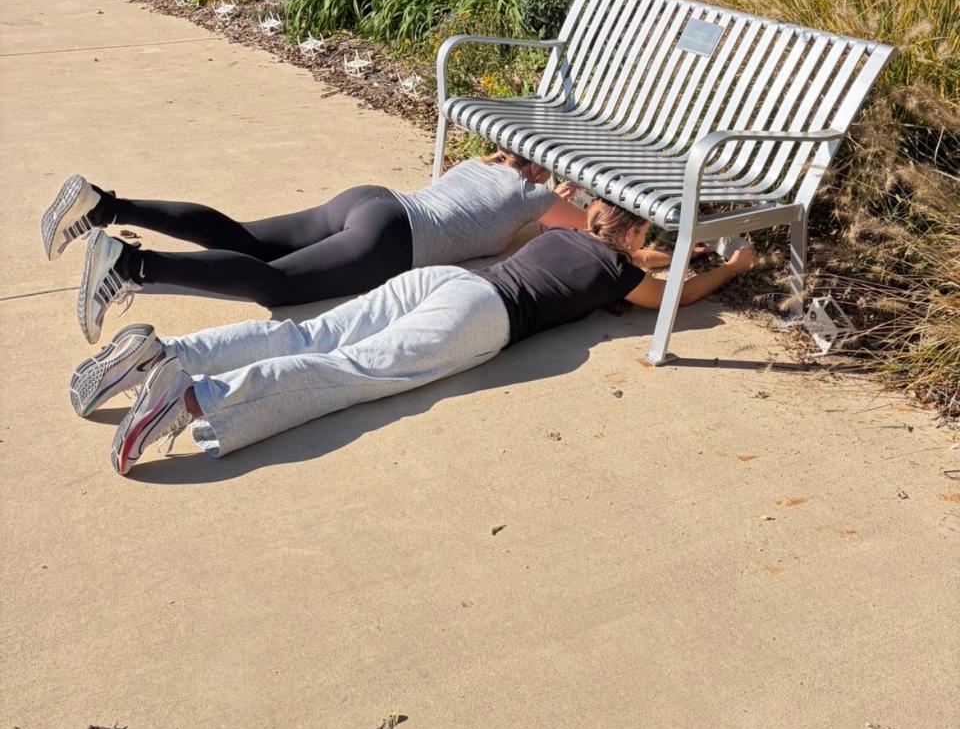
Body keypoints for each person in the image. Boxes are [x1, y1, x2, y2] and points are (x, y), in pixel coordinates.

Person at [67, 199, 756, 475]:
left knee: (308, 333)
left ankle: (162, 355)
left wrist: (673, 250)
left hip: (445, 281)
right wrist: (729, 268)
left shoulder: (566, 235)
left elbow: (633, 250)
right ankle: (191, 400)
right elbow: (676, 297)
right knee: (349, 371)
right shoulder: (617, 273)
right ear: (637, 240)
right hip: (483, 317)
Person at [40, 154, 587, 346]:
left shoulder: (476, 165)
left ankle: (105, 207)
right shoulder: (535, 197)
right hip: (393, 240)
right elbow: (590, 231)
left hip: (372, 201)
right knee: (276, 284)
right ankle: (131, 265)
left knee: (245, 239)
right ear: (543, 166)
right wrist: (569, 198)